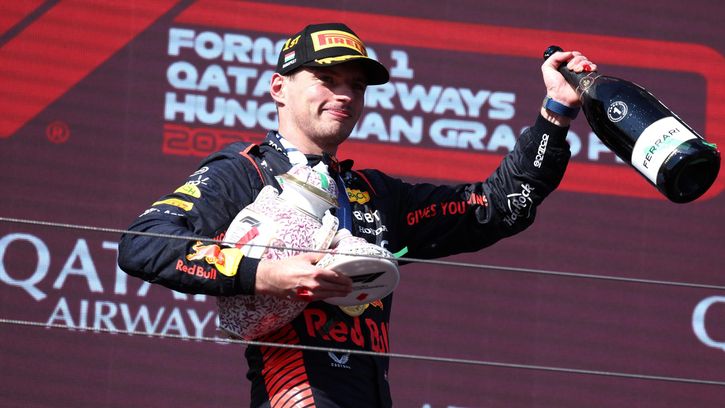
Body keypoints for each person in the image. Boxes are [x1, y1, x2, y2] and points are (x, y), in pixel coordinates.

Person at [118, 22, 596, 408]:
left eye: (356, 86)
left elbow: (498, 206)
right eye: (327, 80)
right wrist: (266, 274)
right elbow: (144, 243)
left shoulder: (375, 194)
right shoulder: (246, 172)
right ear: (279, 88)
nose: (345, 95)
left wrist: (556, 111)